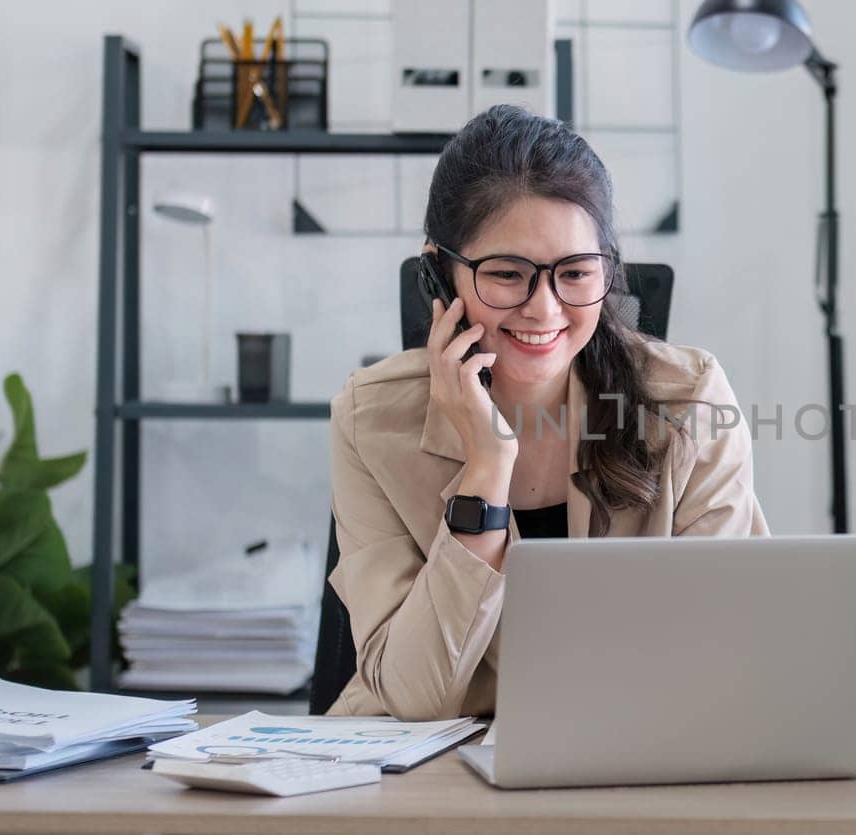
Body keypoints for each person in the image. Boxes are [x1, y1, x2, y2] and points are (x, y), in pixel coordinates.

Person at [325, 105, 769, 720]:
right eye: (507, 274)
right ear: (439, 274)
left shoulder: (688, 402)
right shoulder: (370, 419)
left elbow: (734, 653)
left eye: (575, 273)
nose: (545, 309)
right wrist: (487, 465)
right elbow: (415, 698)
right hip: (431, 772)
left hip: (632, 750)